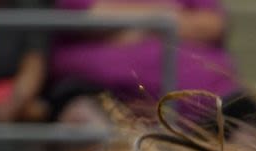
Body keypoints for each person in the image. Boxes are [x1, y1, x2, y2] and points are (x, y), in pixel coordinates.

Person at [47, 0, 244, 106]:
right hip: (101, 103)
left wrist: (138, 25)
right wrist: (166, 17)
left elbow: (213, 25)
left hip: (214, 106)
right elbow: (87, 17)